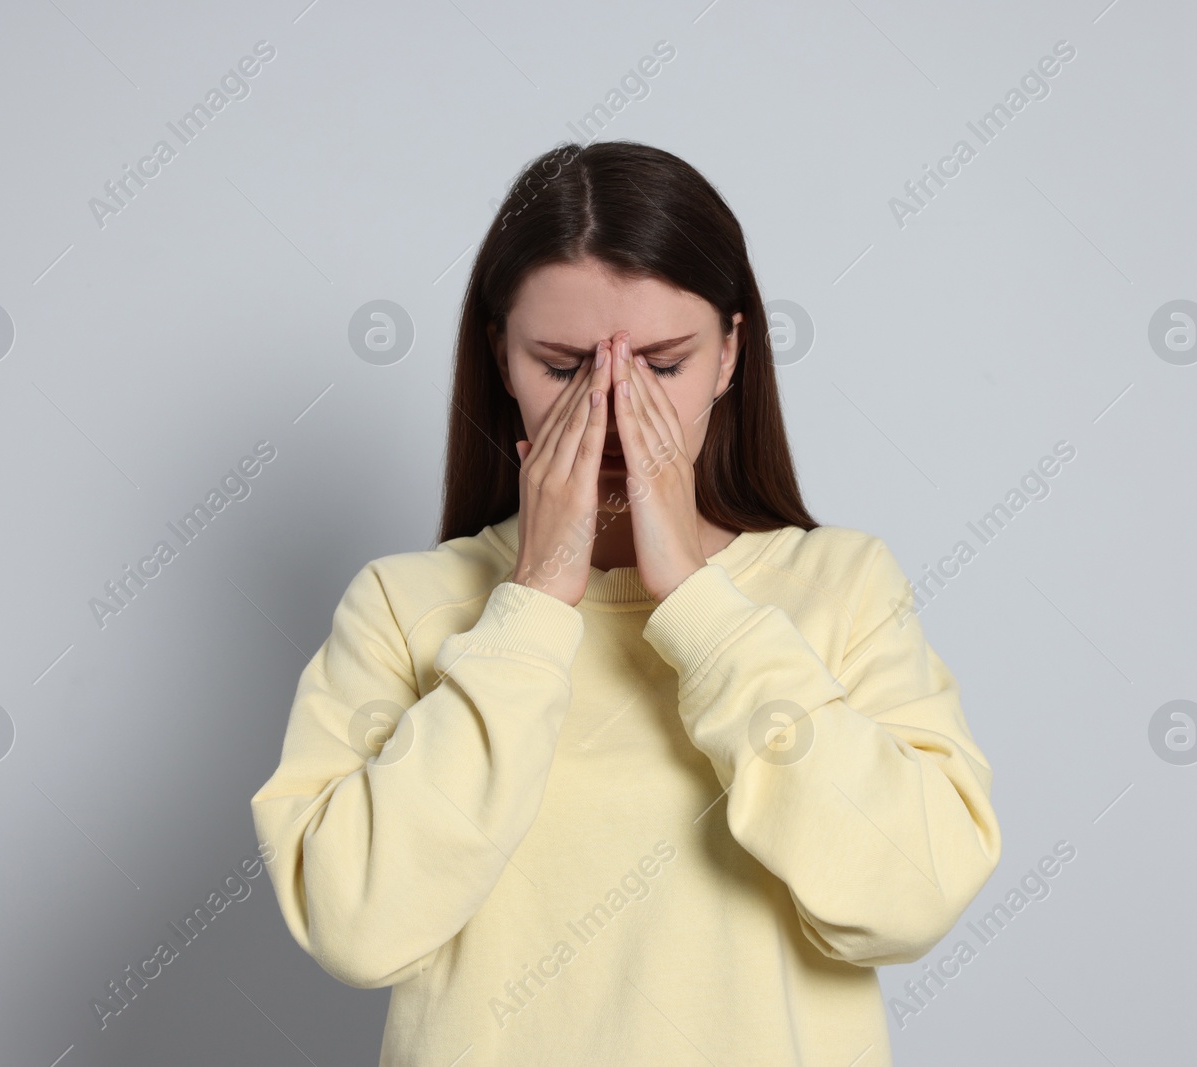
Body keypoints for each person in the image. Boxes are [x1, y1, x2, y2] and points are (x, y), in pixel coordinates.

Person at [250, 140, 1002, 1066]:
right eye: (565, 369)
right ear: (501, 357)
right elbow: (355, 926)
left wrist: (699, 602)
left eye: (663, 366)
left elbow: (913, 894)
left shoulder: (842, 588)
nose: (610, 410)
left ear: (730, 353)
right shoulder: (402, 608)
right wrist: (530, 606)